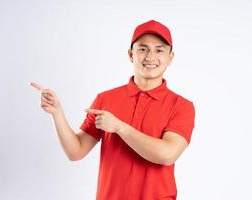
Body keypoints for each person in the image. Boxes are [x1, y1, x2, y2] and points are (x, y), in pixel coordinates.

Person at [30, 19, 195, 200]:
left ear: (170, 57)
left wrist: (119, 127)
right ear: (131, 54)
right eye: (143, 49)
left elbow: (167, 154)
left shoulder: (181, 106)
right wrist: (57, 113)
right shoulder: (106, 99)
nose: (150, 56)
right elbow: (76, 151)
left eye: (159, 50)